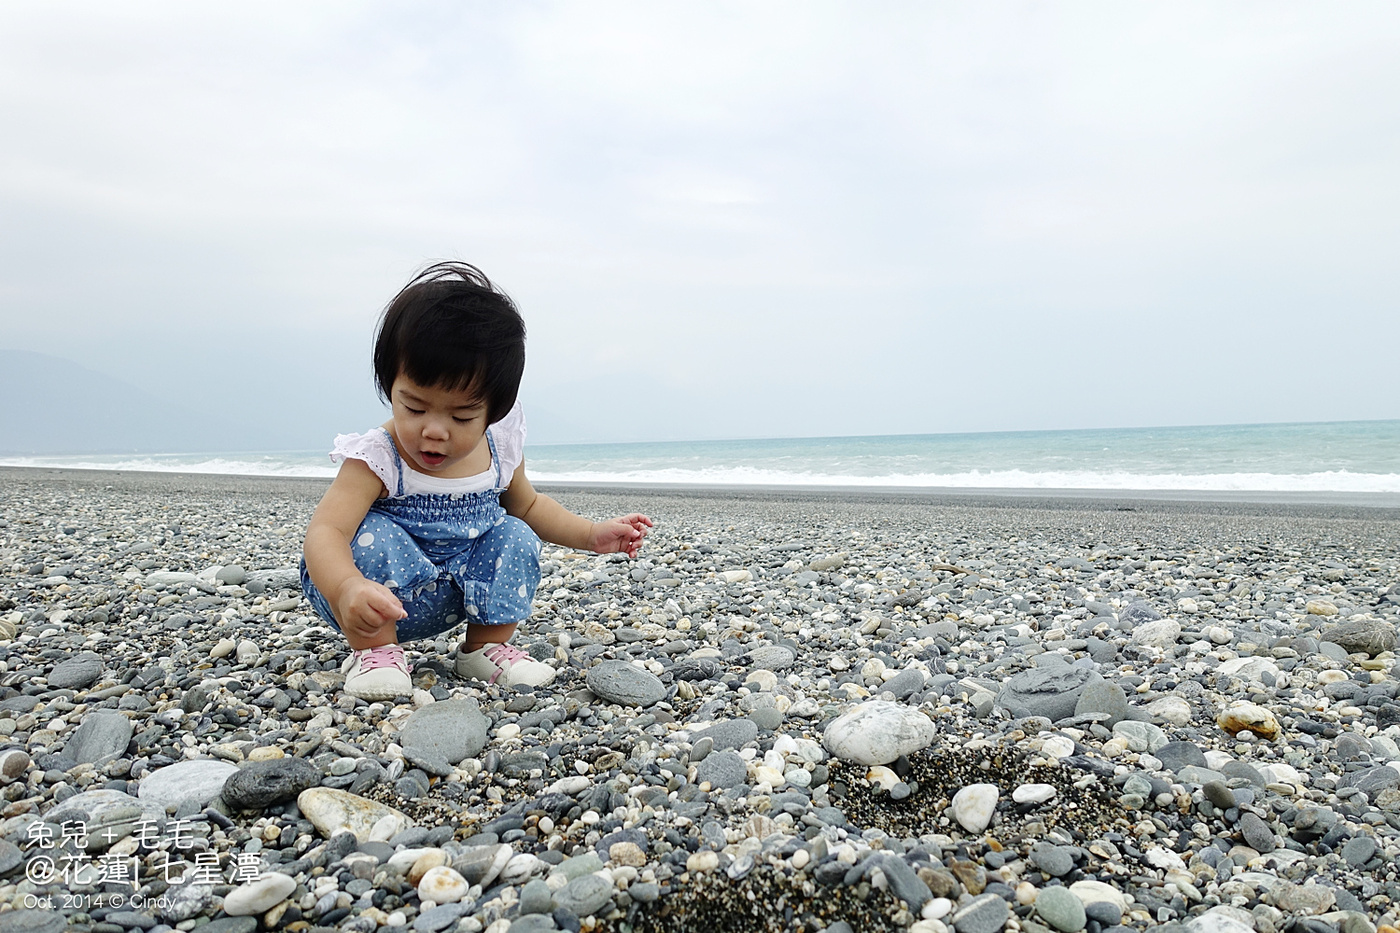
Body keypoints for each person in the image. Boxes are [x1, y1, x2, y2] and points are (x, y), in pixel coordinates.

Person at [301, 262, 652, 699]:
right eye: (413, 407)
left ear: (495, 411)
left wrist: (591, 535)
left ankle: (484, 646)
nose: (434, 430)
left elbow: (528, 506)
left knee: (513, 533)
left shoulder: (498, 450)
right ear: (390, 385)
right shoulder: (377, 457)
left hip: (460, 592)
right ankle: (374, 653)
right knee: (371, 532)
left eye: (461, 415)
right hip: (370, 599)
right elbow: (326, 531)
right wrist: (346, 586)